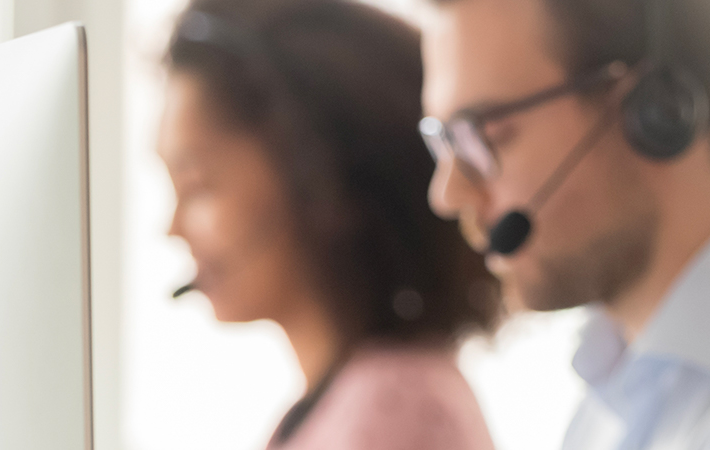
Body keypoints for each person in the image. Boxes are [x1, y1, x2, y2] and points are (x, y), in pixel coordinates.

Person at [413, 0, 710, 448]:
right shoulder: (606, 401)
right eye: (445, 141)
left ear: (656, 110)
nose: (447, 194)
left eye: (482, 133)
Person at [158, 0, 500, 448]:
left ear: (316, 175)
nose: (173, 228)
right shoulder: (342, 405)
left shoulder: (391, 411)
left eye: (199, 185)